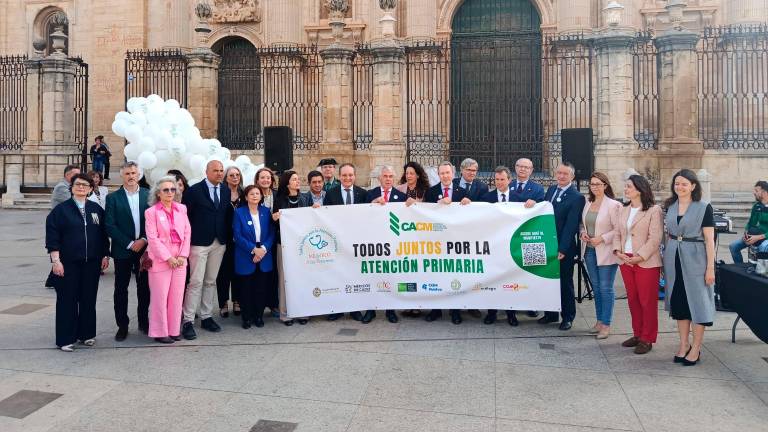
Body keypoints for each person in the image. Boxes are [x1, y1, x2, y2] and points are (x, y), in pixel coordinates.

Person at [46, 173, 110, 351]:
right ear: (71, 187)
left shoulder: (96, 209)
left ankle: (87, 334)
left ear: (90, 189)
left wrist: (105, 255)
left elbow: (103, 235)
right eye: (77, 184)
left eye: (85, 185)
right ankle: (66, 338)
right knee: (67, 299)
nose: (81, 187)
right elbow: (53, 238)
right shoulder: (61, 211)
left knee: (88, 298)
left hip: (92, 262)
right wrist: (56, 261)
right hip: (68, 263)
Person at [663, 169, 716, 366]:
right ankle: (684, 344)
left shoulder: (703, 208)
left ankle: (696, 347)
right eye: (677, 183)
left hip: (696, 259)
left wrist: (710, 268)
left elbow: (709, 240)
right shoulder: (670, 206)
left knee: (698, 303)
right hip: (674, 258)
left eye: (684, 183)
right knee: (680, 303)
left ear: (693, 186)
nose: (680, 187)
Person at [612, 174, 663, 354]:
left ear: (640, 189)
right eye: (625, 186)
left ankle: (647, 338)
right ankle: (637, 334)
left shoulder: (653, 210)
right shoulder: (623, 209)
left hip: (645, 261)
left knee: (646, 301)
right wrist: (618, 251)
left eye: (629, 187)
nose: (625, 190)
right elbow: (618, 233)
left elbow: (655, 238)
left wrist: (639, 257)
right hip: (625, 259)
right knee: (633, 299)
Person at [180, 160, 230, 340]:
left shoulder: (225, 190)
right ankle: (188, 320)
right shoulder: (193, 191)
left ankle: (207, 316)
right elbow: (186, 217)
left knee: (210, 281)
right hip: (199, 243)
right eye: (215, 170)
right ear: (207, 171)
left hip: (219, 242)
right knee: (195, 282)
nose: (219, 173)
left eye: (221, 170)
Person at [105, 161, 150, 341]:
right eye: (127, 174)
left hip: (145, 250)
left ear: (138, 175)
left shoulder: (149, 195)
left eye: (134, 173)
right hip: (123, 250)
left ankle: (144, 321)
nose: (131, 176)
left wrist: (144, 240)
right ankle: (122, 325)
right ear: (122, 176)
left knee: (144, 288)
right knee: (121, 289)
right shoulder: (113, 198)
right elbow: (109, 225)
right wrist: (131, 243)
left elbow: (154, 222)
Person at [145, 176, 191, 343]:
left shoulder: (182, 209)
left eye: (173, 189)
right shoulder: (151, 212)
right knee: (160, 297)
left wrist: (182, 255)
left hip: (180, 260)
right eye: (166, 190)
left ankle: (173, 330)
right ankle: (159, 332)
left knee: (177, 297)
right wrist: (168, 257)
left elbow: (187, 233)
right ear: (158, 193)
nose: (170, 192)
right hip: (161, 260)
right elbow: (153, 238)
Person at [539, 163, 585, 331]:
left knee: (565, 283)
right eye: (559, 173)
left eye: (565, 174)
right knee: (548, 281)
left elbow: (571, 226)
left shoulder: (577, 197)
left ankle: (567, 317)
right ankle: (550, 314)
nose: (561, 176)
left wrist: (563, 249)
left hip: (562, 247)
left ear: (572, 177)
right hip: (547, 244)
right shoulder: (551, 190)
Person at [424, 162, 470, 325]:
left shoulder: (462, 192)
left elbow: (469, 217)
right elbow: (424, 214)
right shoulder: (431, 192)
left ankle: (455, 311)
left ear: (453, 174)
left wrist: (466, 203)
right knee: (436, 275)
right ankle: (435, 310)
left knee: (454, 276)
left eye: (447, 173)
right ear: (438, 174)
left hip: (455, 242)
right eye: (442, 173)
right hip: (436, 242)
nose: (445, 176)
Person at [579, 172, 622, 340]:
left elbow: (618, 229)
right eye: (592, 184)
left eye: (598, 184)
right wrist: (583, 232)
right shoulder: (588, 202)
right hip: (589, 250)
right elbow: (583, 223)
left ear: (605, 185)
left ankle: (606, 324)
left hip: (606, 251)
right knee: (596, 288)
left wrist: (602, 239)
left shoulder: (613, 205)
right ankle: (599, 321)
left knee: (606, 288)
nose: (595, 187)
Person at [323, 163, 368, 321]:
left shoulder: (363, 194)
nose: (347, 178)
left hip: (356, 244)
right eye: (344, 175)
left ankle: (354, 309)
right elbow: (325, 217)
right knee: (337, 275)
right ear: (339, 176)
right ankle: (337, 309)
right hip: (338, 243)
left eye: (350, 175)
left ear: (355, 176)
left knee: (355, 276)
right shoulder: (331, 193)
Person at [363, 165, 406, 324]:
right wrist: (373, 203)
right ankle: (370, 310)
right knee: (372, 276)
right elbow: (362, 214)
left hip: (392, 244)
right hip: (374, 244)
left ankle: (390, 310)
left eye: (390, 177)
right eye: (385, 176)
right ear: (379, 178)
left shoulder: (400, 196)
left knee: (391, 277)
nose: (388, 179)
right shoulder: (370, 194)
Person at [273, 170, 311, 326]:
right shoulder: (279, 199)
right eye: (294, 179)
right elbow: (274, 222)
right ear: (287, 182)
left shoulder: (305, 198)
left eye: (298, 179)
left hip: (302, 245)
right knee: (284, 279)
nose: (298, 181)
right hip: (284, 244)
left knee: (302, 277)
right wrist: (274, 218)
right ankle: (285, 313)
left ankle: (303, 311)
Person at [233, 185, 275, 329]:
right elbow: (237, 236)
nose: (255, 196)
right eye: (252, 194)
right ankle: (246, 317)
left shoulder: (265, 211)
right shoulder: (239, 213)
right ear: (246, 197)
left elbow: (271, 233)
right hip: (246, 254)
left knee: (261, 288)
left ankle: (258, 316)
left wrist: (262, 249)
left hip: (264, 253)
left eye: (257, 193)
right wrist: (253, 250)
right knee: (246, 288)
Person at [482, 166, 520, 326]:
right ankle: (492, 313)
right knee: (492, 280)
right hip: (492, 247)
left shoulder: (520, 198)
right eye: (496, 179)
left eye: (502, 179)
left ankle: (511, 313)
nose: (499, 182)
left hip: (511, 247)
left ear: (509, 180)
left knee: (510, 281)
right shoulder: (487, 198)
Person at [509, 157, 546, 318]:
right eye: (520, 166)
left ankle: (532, 305)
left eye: (526, 167)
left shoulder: (538, 189)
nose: (522, 169)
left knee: (529, 273)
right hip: (510, 236)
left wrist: (535, 204)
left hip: (528, 236)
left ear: (531, 170)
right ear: (515, 168)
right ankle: (512, 304)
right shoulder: (507, 186)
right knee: (511, 272)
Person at [395, 161, 430, 318]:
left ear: (417, 174)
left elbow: (430, 211)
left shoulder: (425, 191)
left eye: (411, 173)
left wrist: (416, 205)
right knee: (406, 270)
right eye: (406, 173)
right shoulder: (399, 190)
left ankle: (417, 304)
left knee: (418, 270)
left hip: (420, 236)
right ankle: (407, 303)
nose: (408, 176)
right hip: (403, 235)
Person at [217, 166, 244, 319]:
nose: (235, 177)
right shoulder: (221, 193)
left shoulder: (244, 193)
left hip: (240, 240)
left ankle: (237, 301)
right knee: (223, 273)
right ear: (226, 177)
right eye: (231, 175)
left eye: (237, 174)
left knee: (238, 271)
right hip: (223, 239)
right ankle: (223, 304)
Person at [255, 167, 279, 315]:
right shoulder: (254, 194)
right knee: (259, 274)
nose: (265, 180)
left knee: (273, 273)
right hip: (258, 241)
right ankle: (258, 304)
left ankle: (273, 304)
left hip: (275, 238)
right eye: (262, 177)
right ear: (257, 180)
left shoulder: (277, 195)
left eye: (268, 178)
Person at [729, 180, 768, 263]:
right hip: (755, 235)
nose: (754, 193)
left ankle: (762, 270)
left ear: (764, 192)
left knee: (762, 247)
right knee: (733, 247)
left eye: (757, 191)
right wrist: (746, 233)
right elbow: (751, 222)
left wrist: (758, 237)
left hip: (765, 237)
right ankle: (740, 268)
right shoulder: (757, 205)